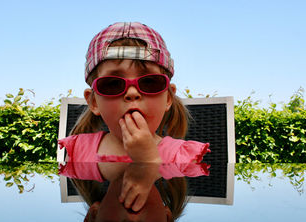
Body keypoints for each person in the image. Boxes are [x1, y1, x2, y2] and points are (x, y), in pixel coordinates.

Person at [58, 22, 210, 163]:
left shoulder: (183, 157)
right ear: (94, 102)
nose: (132, 93)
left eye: (150, 82)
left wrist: (148, 160)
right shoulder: (78, 150)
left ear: (168, 98)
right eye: (113, 84)